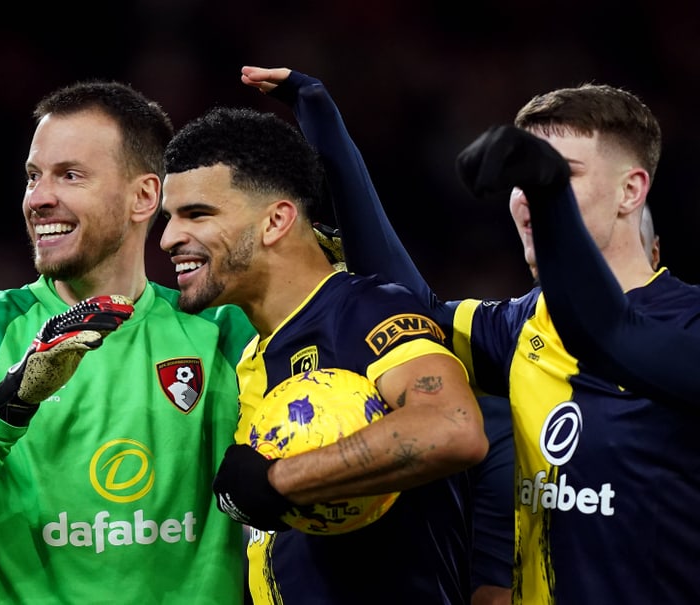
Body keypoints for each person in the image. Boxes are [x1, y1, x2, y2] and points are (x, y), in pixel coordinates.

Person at [236, 66, 700, 604]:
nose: (528, 196)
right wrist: (325, 127)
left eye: (558, 173)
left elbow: (609, 334)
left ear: (630, 190)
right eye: (520, 179)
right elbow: (408, 304)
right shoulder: (522, 326)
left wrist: (546, 194)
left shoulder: (688, 328)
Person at [0, 80, 258, 604]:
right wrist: (10, 404)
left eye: (70, 176)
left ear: (144, 196)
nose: (39, 198)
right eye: (33, 177)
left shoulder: (223, 331)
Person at [159, 106, 488, 604]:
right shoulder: (253, 356)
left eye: (197, 214)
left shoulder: (364, 311)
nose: (167, 238)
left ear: (276, 220)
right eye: (169, 218)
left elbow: (453, 427)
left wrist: (277, 480)